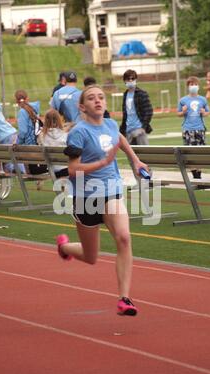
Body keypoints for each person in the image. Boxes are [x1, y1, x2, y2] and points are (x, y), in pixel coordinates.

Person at [56, 85, 149, 316]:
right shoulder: (78, 132)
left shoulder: (109, 124)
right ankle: (64, 247)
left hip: (111, 190)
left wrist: (136, 161)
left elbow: (118, 138)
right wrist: (101, 164)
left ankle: (124, 298)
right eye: (91, 98)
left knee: (124, 238)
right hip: (86, 197)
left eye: (101, 97)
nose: (97, 101)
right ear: (82, 106)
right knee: (91, 257)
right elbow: (73, 168)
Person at [177, 76, 210, 179]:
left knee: (200, 152)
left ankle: (199, 175)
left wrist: (204, 113)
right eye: (191, 84)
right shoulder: (183, 100)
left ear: (198, 86)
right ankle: (194, 175)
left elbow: (208, 112)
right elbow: (178, 113)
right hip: (188, 129)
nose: (194, 86)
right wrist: (183, 111)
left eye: (195, 84)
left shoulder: (202, 99)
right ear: (188, 86)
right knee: (190, 153)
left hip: (200, 128)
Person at [120, 69, 153, 145]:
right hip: (128, 131)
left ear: (136, 80)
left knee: (144, 155)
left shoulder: (141, 93)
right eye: (128, 79)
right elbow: (125, 115)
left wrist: (143, 127)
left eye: (133, 78)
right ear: (125, 81)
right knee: (131, 156)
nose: (130, 80)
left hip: (139, 130)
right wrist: (122, 130)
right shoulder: (125, 95)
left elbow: (149, 111)